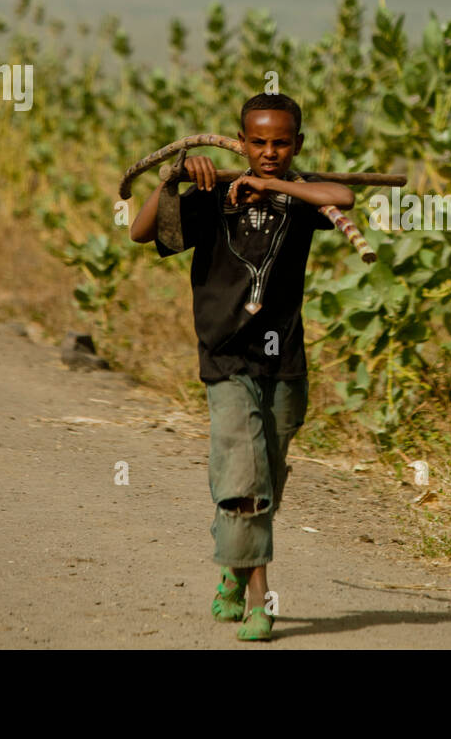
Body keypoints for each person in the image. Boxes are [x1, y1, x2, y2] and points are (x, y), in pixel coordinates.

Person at [129, 93, 353, 641]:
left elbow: (342, 195)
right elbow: (140, 232)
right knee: (245, 480)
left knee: (267, 481)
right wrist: (173, 180)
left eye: (281, 143)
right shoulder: (211, 199)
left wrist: (276, 186)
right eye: (259, 142)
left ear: (296, 144)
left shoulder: (301, 199)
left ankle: (231, 572)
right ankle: (260, 601)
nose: (270, 152)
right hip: (226, 358)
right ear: (243, 141)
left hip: (284, 359)